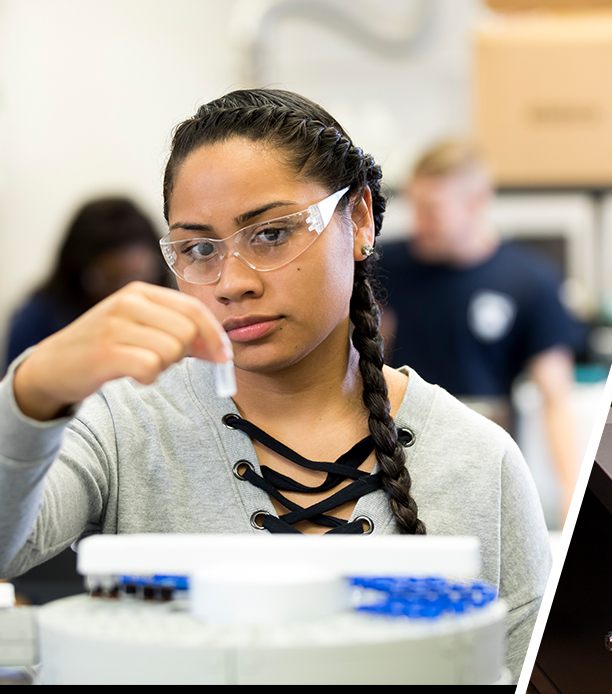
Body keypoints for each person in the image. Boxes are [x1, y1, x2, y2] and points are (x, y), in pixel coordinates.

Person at [0, 90, 550, 679]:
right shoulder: (123, 425)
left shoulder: (478, 461)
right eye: (199, 249)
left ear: (359, 218)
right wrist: (34, 388)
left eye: (270, 234)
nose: (231, 282)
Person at [376, 140, 584, 514]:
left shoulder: (530, 280)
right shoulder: (384, 267)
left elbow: (555, 400)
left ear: (475, 202)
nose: (419, 222)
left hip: (483, 461)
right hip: (396, 454)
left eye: (432, 210)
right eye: (416, 207)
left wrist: (573, 492)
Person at [6, 197, 173, 363]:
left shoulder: (176, 306)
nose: (127, 291)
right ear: (76, 273)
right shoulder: (36, 321)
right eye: (109, 280)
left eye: (140, 275)